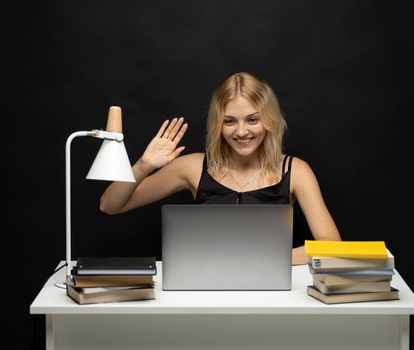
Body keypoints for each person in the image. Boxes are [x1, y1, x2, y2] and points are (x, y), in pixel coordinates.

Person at [99, 72, 341, 265]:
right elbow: (109, 205)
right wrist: (144, 165)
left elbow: (332, 245)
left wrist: (269, 261)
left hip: (279, 292)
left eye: (253, 120)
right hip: (208, 292)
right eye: (230, 121)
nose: (242, 131)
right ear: (218, 124)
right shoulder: (192, 167)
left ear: (269, 121)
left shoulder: (295, 170)